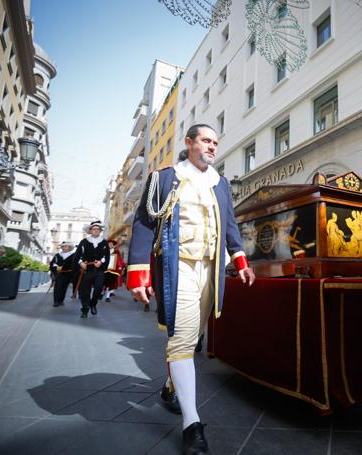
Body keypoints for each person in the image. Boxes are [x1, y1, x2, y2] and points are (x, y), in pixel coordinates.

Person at [127, 124, 255, 455]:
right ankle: (192, 423)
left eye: (215, 142)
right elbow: (143, 222)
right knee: (183, 339)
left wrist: (241, 260)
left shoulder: (221, 183)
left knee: (194, 336)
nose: (212, 146)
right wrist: (138, 272)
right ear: (189, 143)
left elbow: (230, 225)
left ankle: (171, 387)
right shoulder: (165, 177)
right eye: (206, 140)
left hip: (211, 269)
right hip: (178, 264)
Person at [74, 221, 109, 318]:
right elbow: (78, 255)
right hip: (87, 270)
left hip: (99, 271)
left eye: (98, 229)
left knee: (98, 289)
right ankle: (85, 309)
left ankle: (93, 304)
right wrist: (81, 263)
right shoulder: (84, 242)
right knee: (85, 291)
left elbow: (106, 255)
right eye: (94, 229)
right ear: (90, 230)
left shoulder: (104, 242)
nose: (96, 230)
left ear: (100, 231)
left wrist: (101, 262)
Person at [49, 241, 77, 307]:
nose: (64, 247)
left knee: (64, 288)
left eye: (66, 246)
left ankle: (61, 300)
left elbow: (74, 265)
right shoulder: (57, 255)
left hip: (67, 274)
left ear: (69, 247)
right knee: (57, 287)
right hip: (58, 274)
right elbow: (52, 263)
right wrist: (56, 267)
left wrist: (63, 267)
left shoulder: (73, 255)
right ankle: (56, 301)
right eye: (63, 246)